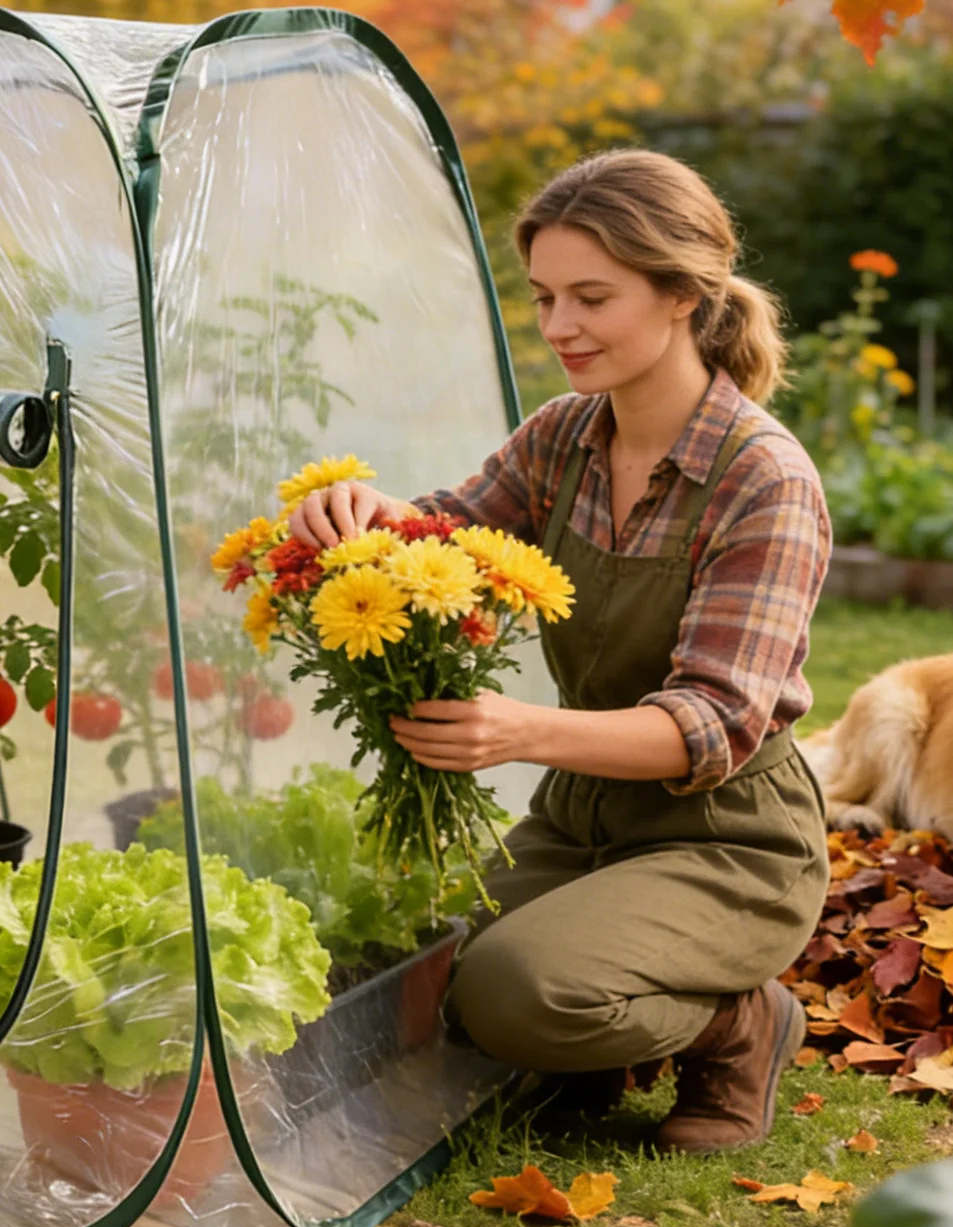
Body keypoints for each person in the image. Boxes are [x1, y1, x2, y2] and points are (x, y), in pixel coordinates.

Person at [288, 149, 830, 1153]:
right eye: (542, 297)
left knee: (513, 990)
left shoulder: (761, 480)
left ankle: (739, 1024)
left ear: (679, 295)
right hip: (579, 819)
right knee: (404, 980)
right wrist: (365, 515)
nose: (558, 328)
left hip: (720, 835)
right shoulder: (562, 438)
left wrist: (517, 730)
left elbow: (708, 724)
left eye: (591, 297)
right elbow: (448, 534)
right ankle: (589, 1041)